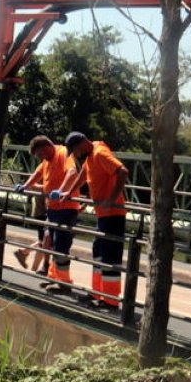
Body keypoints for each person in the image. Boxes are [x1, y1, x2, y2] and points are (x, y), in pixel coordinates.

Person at [53, 131, 129, 308]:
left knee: (110, 256)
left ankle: (110, 300)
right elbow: (82, 177)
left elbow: (122, 172)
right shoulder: (90, 156)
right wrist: (69, 192)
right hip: (103, 215)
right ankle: (98, 293)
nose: (76, 156)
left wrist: (111, 199)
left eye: (76, 151)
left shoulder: (99, 153)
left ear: (82, 143)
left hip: (113, 215)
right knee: (99, 252)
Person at [18, 135, 80, 291]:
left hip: (66, 208)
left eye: (40, 154)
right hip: (52, 209)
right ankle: (53, 277)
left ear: (47, 147)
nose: (40, 158)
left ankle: (64, 284)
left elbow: (72, 172)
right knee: (50, 242)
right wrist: (25, 186)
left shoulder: (63, 153)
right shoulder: (47, 160)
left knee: (61, 245)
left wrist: (61, 191)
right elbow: (37, 174)